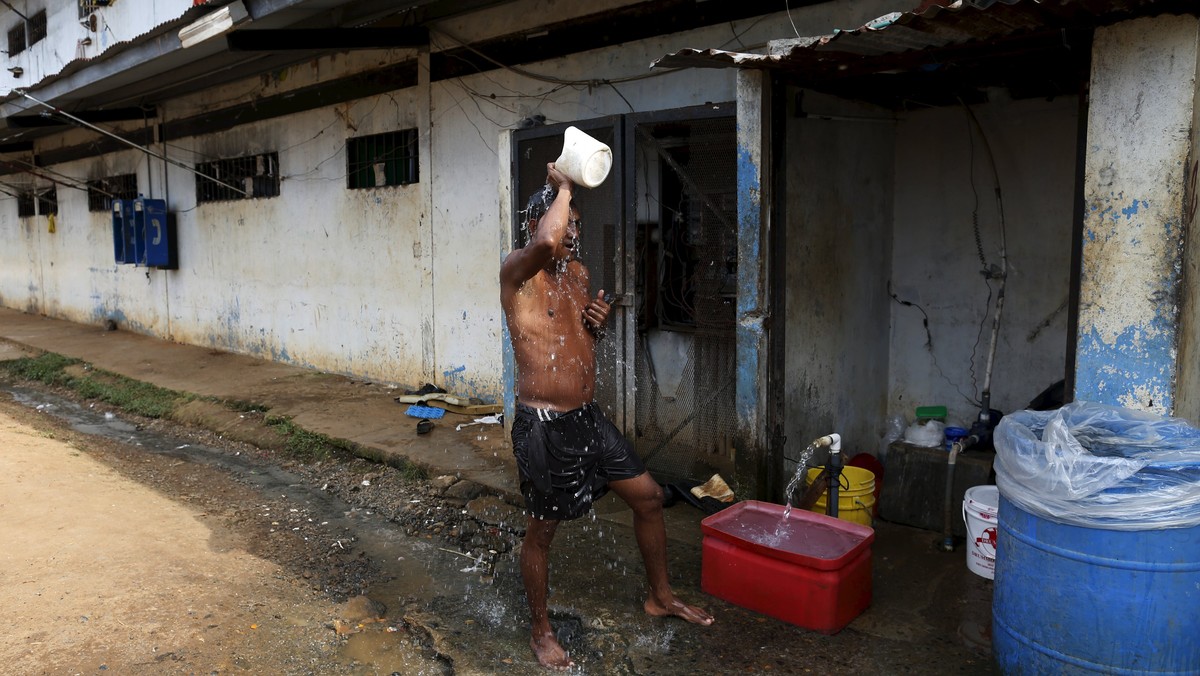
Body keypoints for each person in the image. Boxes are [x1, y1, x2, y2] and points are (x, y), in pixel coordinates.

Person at [500, 163, 713, 670]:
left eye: (577, 223)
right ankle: (540, 629)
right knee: (542, 532)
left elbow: (575, 345)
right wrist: (565, 184)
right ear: (537, 224)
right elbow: (546, 245)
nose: (573, 231)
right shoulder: (516, 272)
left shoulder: (578, 276)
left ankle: (660, 596)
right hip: (543, 428)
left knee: (650, 498)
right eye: (566, 221)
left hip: (587, 419)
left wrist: (595, 327)